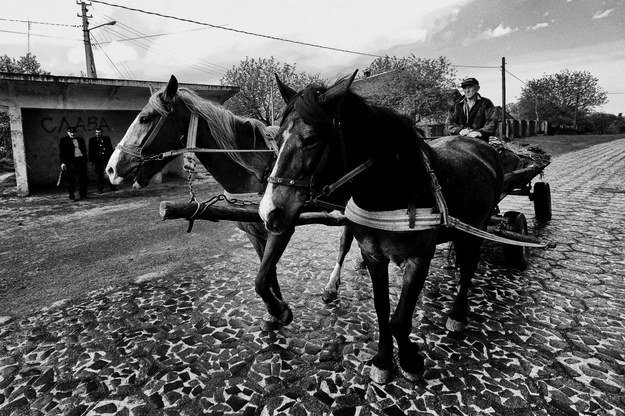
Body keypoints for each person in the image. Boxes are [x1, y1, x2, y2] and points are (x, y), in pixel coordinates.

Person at [446, 77, 498, 142]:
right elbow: (449, 123)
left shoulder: (486, 103)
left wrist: (480, 132)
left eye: (470, 87)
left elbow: (492, 122)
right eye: (465, 88)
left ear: (477, 88)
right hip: (459, 140)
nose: (467, 91)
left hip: (480, 140)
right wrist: (459, 130)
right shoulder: (456, 105)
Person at [59, 127, 89, 200]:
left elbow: (84, 150)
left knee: (83, 178)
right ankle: (71, 195)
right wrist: (63, 163)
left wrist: (85, 159)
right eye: (70, 132)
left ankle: (83, 194)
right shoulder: (63, 140)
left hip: (81, 161)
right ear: (67, 132)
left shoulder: (80, 140)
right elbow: (62, 153)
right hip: (71, 162)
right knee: (71, 179)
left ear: (76, 132)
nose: (72, 134)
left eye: (74, 132)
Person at [89, 127, 117, 192]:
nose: (98, 134)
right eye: (96, 132)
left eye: (99, 132)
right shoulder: (92, 140)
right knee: (99, 174)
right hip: (97, 160)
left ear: (102, 133)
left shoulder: (106, 139)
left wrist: (112, 158)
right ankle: (100, 189)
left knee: (109, 173)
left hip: (106, 159)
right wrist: (91, 160)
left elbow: (110, 148)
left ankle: (113, 187)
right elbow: (91, 151)